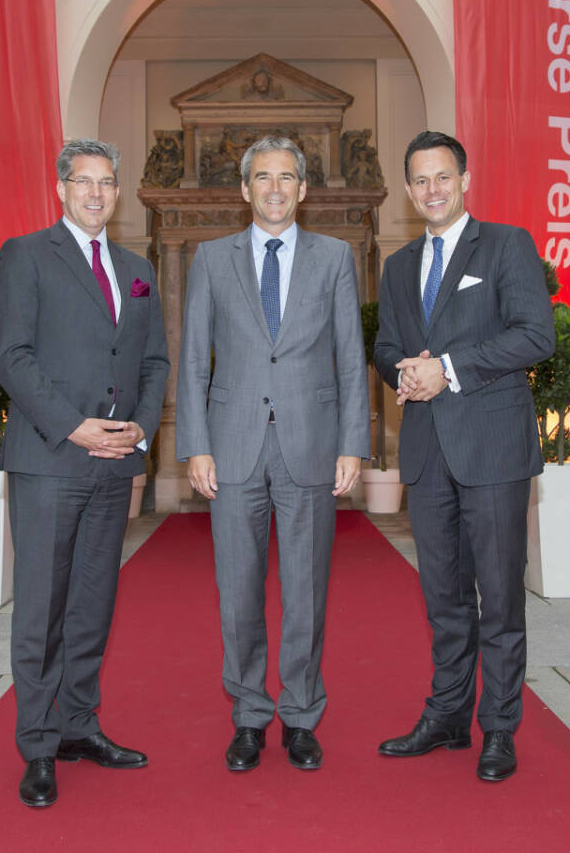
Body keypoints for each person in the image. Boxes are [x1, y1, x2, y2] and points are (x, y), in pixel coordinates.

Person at [176, 134, 369, 773]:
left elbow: (350, 359)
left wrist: (353, 443)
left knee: (306, 591)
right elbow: (193, 358)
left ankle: (302, 715)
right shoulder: (210, 259)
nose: (276, 188)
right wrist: (196, 445)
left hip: (311, 445)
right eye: (263, 177)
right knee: (238, 591)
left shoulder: (336, 257)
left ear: (304, 188)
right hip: (231, 449)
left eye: (287, 177)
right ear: (244, 189)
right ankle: (250, 714)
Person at [0, 139, 169, 808]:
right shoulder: (27, 256)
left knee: (93, 604)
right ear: (61, 188)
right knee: (42, 609)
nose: (96, 193)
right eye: (83, 182)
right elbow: (12, 354)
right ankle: (37, 746)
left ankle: (79, 727)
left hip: (115, 461)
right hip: (51, 458)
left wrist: (139, 427)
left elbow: (153, 361)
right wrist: (73, 425)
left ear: (117, 193)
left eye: (106, 184)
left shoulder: (135, 267)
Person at [372, 130, 554, 782]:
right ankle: (447, 716)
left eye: (442, 177)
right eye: (419, 180)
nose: (432, 190)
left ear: (465, 179)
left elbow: (536, 335)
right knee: (443, 597)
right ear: (409, 189)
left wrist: (448, 368)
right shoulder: (397, 267)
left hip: (493, 451)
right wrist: (404, 375)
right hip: (427, 454)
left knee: (499, 596)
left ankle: (498, 729)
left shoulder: (507, 245)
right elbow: (387, 347)